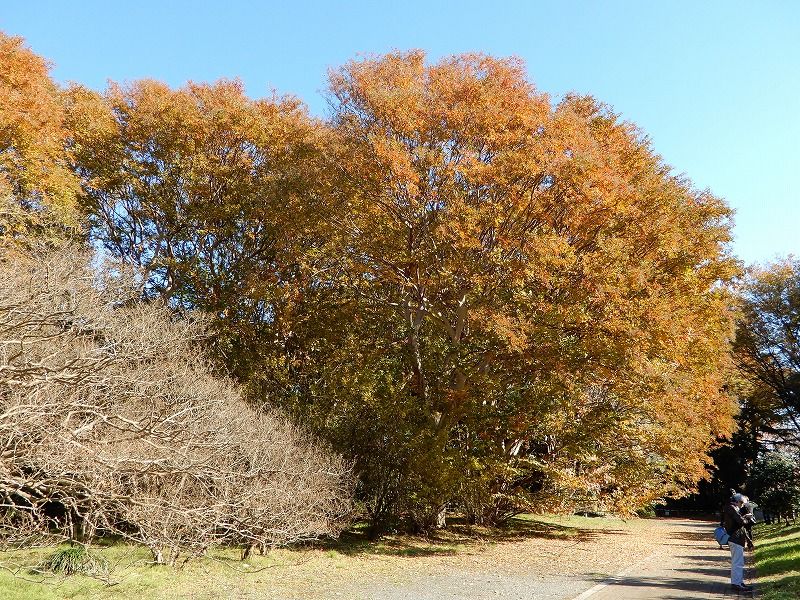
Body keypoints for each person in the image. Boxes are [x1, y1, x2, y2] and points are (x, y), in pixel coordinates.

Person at [723, 493, 752, 592]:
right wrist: (747, 517)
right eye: (742, 503)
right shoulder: (732, 508)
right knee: (737, 562)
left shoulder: (731, 508)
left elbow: (737, 520)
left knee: (738, 562)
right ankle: (736, 583)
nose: (743, 506)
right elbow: (740, 521)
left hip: (735, 538)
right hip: (735, 538)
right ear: (738, 502)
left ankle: (739, 582)